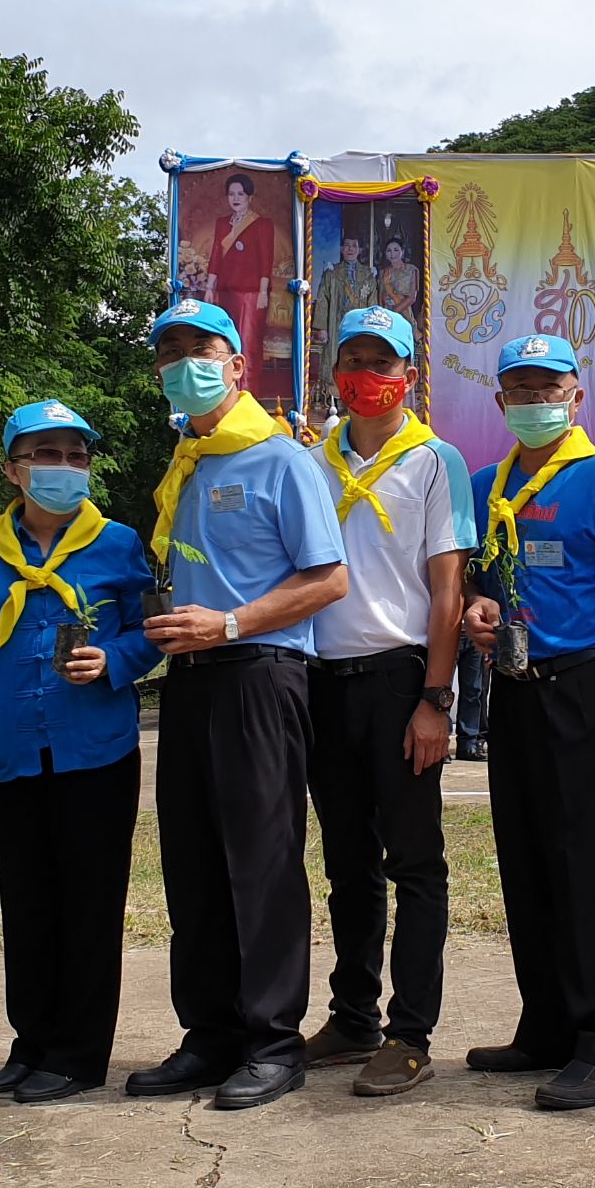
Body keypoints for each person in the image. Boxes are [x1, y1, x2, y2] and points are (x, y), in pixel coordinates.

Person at [130, 298, 349, 1111]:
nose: (184, 361)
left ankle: (271, 1040)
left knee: (260, 862)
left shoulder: (281, 459)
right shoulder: (186, 462)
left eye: (201, 348)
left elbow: (329, 578)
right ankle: (210, 1035)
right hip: (189, 680)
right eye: (170, 350)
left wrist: (230, 620)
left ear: (237, 364)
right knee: (192, 864)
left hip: (259, 672)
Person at [0, 400, 159, 1104]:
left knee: (88, 903)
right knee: (26, 903)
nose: (62, 468)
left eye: (75, 455)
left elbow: (156, 630)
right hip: (8, 752)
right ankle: (30, 1043)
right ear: (12, 468)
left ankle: (78, 1054)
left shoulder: (119, 544)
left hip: (94, 750)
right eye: (45, 455)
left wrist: (115, 658)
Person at [461, 331, 595, 1111]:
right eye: (522, 389)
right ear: (501, 399)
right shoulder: (486, 483)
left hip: (583, 685)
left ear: (577, 394)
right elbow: (477, 583)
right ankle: (546, 1025)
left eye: (550, 387)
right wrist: (480, 611)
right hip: (513, 688)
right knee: (528, 859)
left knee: (594, 869)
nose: (536, 401)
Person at [299, 307, 474, 1098]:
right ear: (333, 372)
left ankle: (410, 1034)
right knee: (345, 863)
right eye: (352, 360)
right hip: (322, 682)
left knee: (414, 862)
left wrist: (436, 699)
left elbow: (446, 591)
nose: (365, 375)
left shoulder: (436, 461)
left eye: (382, 361)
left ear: (409, 375)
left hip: (401, 679)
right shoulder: (310, 461)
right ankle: (352, 1016)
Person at [199, 173, 286, 400]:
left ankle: (248, 397)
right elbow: (215, 257)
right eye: (231, 194)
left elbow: (266, 258)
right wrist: (210, 287)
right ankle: (225, 396)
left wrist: (263, 292)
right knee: (225, 343)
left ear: (249, 197)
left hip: (251, 295)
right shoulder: (222, 223)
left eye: (240, 194)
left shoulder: (262, 224)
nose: (235, 198)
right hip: (226, 292)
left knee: (248, 345)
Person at [453, 634, 491, 761]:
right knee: (443, 690)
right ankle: (442, 743)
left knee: (473, 691)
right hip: (449, 632)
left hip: (474, 637)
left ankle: (468, 745)